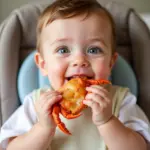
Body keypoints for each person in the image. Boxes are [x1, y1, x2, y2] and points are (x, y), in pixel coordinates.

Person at [0, 0, 150, 149]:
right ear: (43, 64)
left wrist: (107, 121)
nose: (79, 60)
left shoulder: (121, 101)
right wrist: (43, 128)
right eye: (63, 50)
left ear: (111, 63)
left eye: (94, 50)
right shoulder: (36, 104)